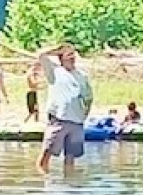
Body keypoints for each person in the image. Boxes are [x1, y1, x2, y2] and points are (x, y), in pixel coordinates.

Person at [37, 41, 94, 175]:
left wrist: (85, 114)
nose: (72, 57)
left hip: (76, 122)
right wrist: (57, 49)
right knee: (47, 153)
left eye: (73, 55)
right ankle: (45, 179)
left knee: (70, 158)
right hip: (59, 119)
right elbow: (41, 55)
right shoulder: (54, 71)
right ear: (61, 57)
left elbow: (88, 97)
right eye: (68, 55)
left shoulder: (81, 76)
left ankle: (69, 182)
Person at [24, 57, 44, 124]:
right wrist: (41, 82)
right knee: (32, 111)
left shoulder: (33, 73)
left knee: (36, 110)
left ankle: (36, 122)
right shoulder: (31, 73)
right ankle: (25, 122)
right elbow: (33, 83)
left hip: (33, 92)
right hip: (31, 93)